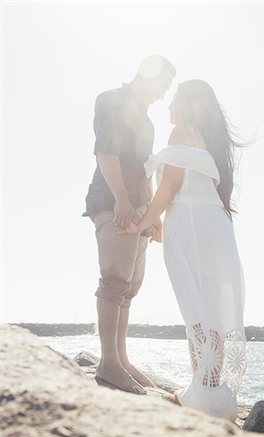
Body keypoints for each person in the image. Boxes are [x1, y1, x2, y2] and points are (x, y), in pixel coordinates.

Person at [120, 79, 247, 420]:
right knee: (212, 311)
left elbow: (171, 185)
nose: (169, 106)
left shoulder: (180, 133)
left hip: (189, 224)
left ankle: (201, 395)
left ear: (188, 104)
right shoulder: (211, 143)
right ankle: (211, 389)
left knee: (195, 308)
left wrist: (143, 221)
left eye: (174, 99)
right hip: (216, 227)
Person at [82, 55, 176, 394]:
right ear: (148, 75)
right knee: (114, 279)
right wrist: (121, 197)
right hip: (112, 203)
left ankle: (120, 358)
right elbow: (106, 151)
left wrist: (153, 215)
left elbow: (145, 168)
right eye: (163, 85)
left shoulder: (148, 123)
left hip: (137, 209)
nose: (164, 94)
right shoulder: (112, 100)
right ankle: (108, 364)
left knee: (130, 286)